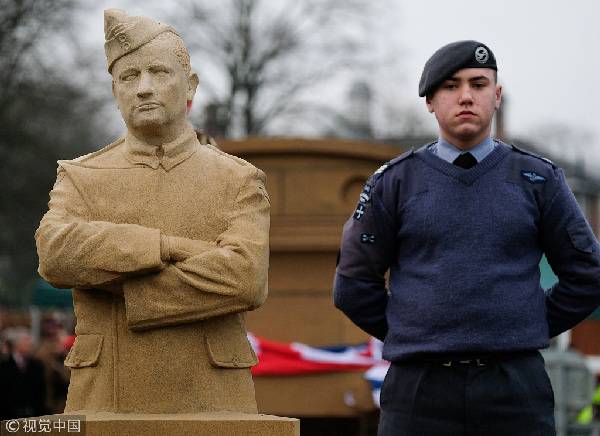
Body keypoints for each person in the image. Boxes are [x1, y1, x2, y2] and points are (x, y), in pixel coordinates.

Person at [333, 40, 600, 436]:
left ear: (497, 95)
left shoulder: (539, 180)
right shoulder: (394, 183)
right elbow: (353, 286)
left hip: (514, 389)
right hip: (418, 391)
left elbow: (588, 275)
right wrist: (414, 331)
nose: (465, 97)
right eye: (450, 86)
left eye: (478, 84)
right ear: (429, 100)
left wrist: (528, 324)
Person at [35, 9, 270, 414]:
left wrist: (123, 291)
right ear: (114, 90)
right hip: (106, 395)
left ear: (190, 85)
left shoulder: (238, 179)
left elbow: (245, 279)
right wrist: (166, 246)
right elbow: (56, 256)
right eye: (129, 77)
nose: (143, 88)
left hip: (213, 397)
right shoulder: (80, 176)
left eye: (159, 72)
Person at [0, 328, 47, 419]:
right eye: (26, 341)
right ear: (17, 344)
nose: (30, 344)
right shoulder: (3, 366)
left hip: (32, 417)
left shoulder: (37, 366)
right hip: (8, 417)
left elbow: (41, 392)